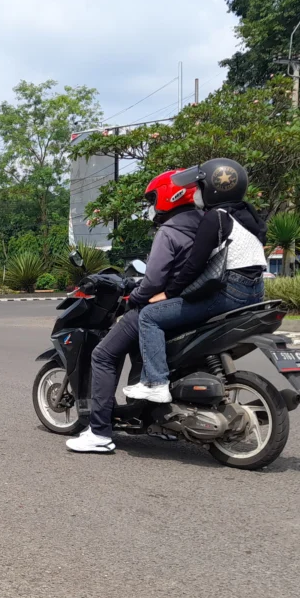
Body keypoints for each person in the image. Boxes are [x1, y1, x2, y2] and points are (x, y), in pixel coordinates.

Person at [66, 169, 206, 453]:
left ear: (169, 194)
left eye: (154, 198)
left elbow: (154, 280)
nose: (153, 205)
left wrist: (135, 298)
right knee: (141, 352)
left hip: (161, 304)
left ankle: (100, 433)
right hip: (192, 305)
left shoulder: (170, 231)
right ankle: (155, 420)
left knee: (103, 355)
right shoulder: (206, 225)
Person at [125, 158, 268, 403]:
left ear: (213, 189)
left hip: (230, 292)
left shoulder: (216, 217)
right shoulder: (248, 217)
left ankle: (156, 383)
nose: (196, 195)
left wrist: (169, 293)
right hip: (256, 291)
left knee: (150, 316)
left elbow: (194, 265)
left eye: (200, 187)